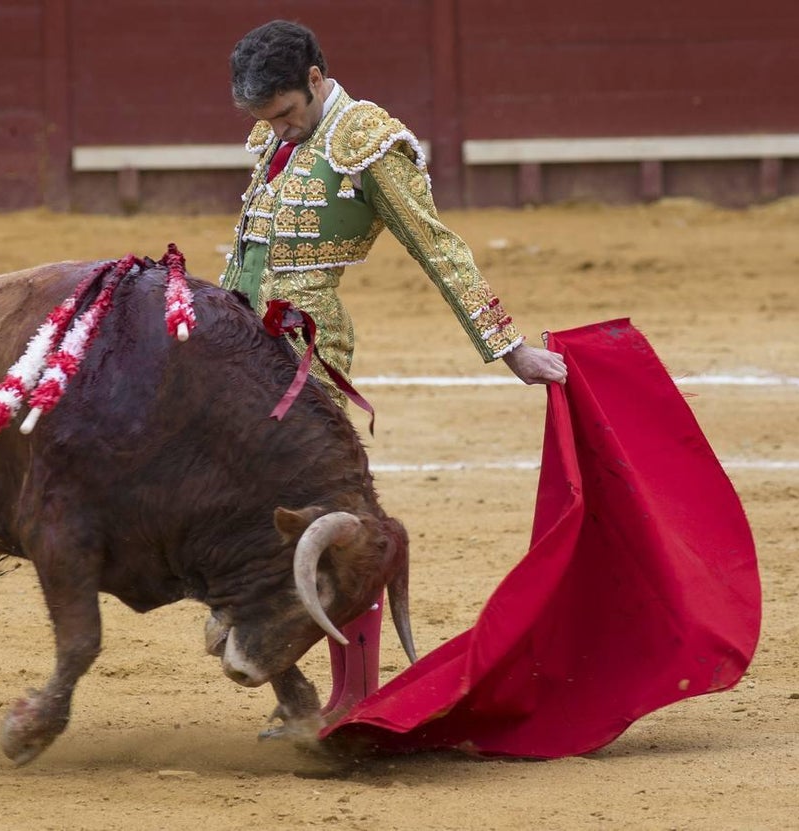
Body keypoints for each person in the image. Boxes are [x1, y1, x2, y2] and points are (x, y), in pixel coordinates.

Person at [219, 20, 568, 733]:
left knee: (323, 516)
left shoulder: (368, 142)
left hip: (303, 346)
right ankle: (286, 677)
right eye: (265, 120)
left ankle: (352, 693)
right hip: (235, 340)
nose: (277, 132)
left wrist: (508, 347)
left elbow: (437, 246)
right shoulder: (272, 141)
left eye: (286, 113)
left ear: (316, 80)